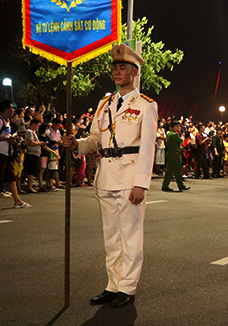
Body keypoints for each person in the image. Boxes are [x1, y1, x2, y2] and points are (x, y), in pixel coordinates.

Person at [63, 44, 158, 308]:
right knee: (111, 236)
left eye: (123, 67)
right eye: (115, 67)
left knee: (129, 235)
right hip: (106, 176)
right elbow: (96, 138)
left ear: (135, 72)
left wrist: (141, 183)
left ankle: (127, 287)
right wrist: (77, 145)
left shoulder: (146, 105)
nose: (117, 71)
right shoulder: (104, 103)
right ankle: (113, 284)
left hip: (129, 177)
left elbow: (148, 147)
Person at [0, 100, 31, 211]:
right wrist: (7, 139)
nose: (13, 110)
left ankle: (17, 200)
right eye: (12, 108)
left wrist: (12, 139)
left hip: (6, 154)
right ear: (6, 109)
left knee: (11, 177)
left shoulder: (6, 121)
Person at [161, 119, 190, 192]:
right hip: (175, 154)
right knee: (177, 170)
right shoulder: (174, 134)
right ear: (174, 127)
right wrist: (183, 135)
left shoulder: (168, 133)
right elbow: (182, 142)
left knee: (169, 171)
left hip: (169, 153)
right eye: (178, 127)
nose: (179, 128)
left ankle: (165, 185)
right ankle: (181, 185)